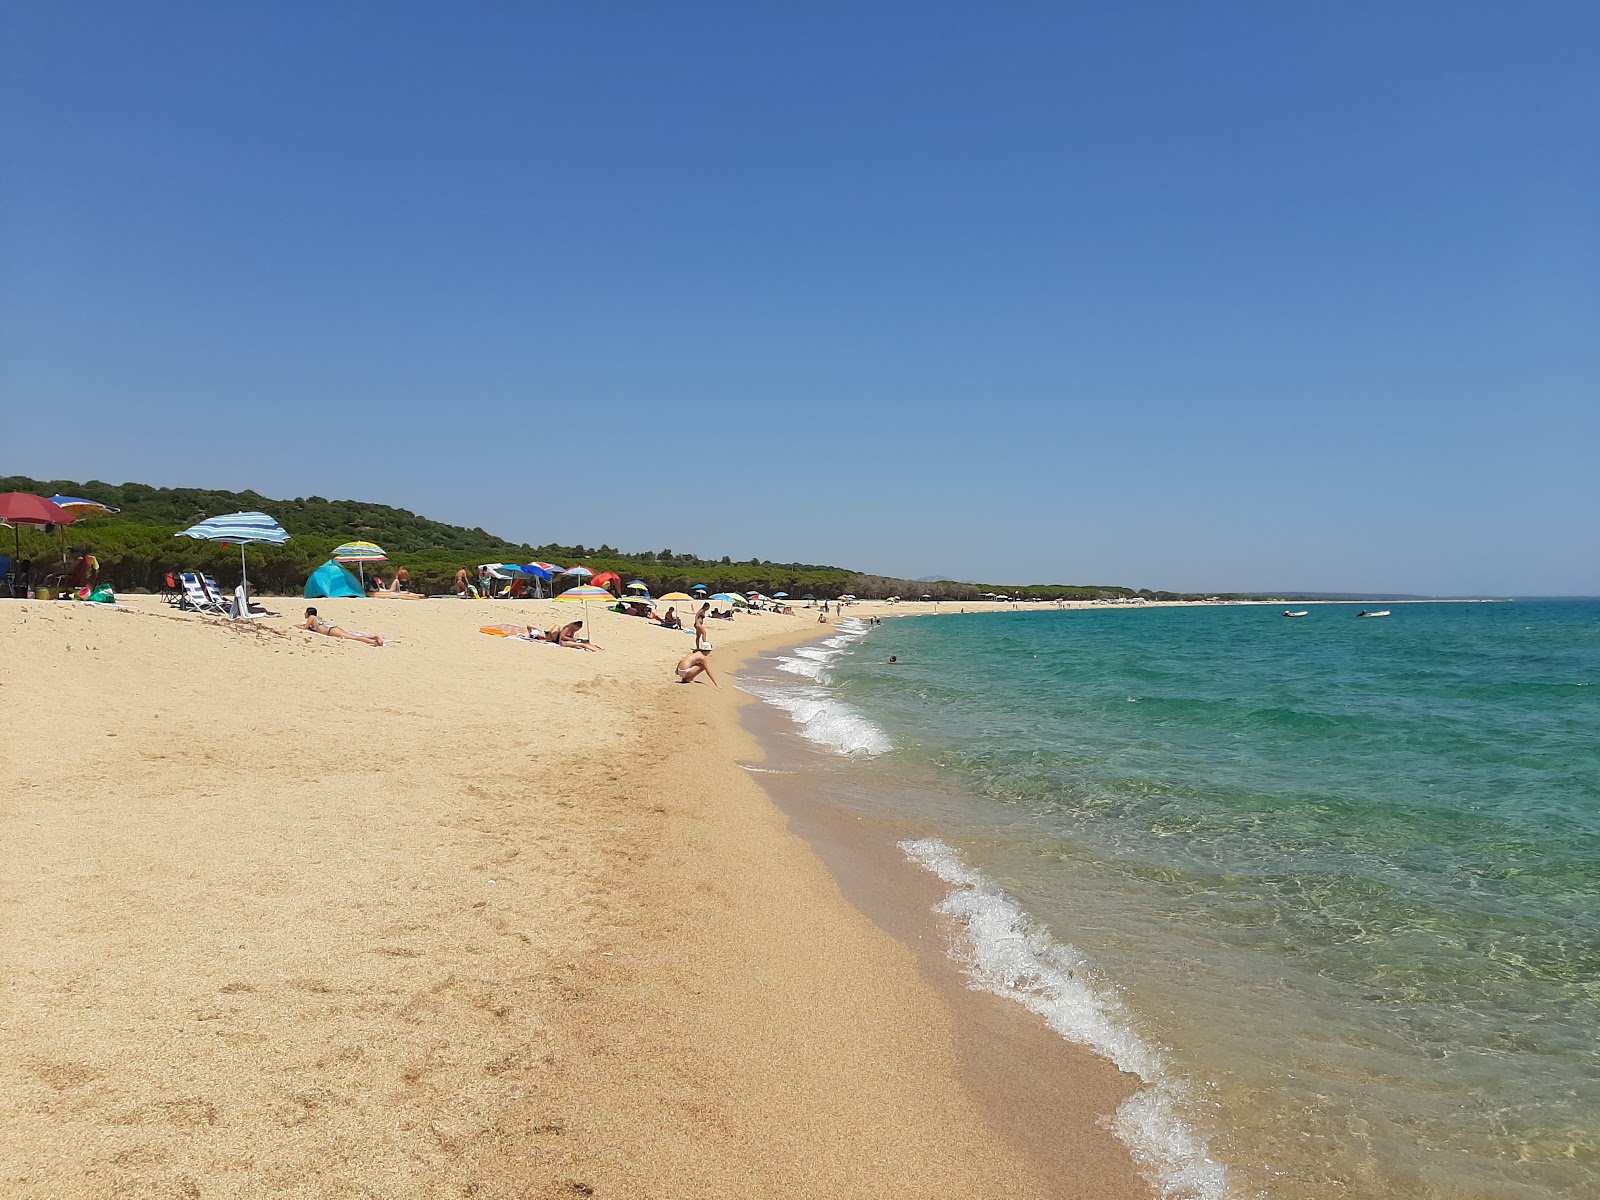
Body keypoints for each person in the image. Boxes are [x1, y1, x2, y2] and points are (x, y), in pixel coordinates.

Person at [298, 607, 385, 646]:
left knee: (354, 638)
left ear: (309, 613)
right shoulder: (317, 617)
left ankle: (374, 642)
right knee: (353, 636)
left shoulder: (311, 617)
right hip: (333, 628)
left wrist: (296, 626)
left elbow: (305, 627)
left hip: (331, 631)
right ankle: (374, 637)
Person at [532, 620, 598, 651]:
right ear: (574, 626)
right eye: (578, 628)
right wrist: (573, 640)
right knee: (582, 644)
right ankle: (595, 650)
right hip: (563, 642)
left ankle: (596, 648)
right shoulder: (567, 628)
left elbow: (571, 637)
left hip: (566, 640)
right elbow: (562, 637)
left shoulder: (572, 630)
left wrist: (574, 639)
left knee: (585, 642)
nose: (577, 630)